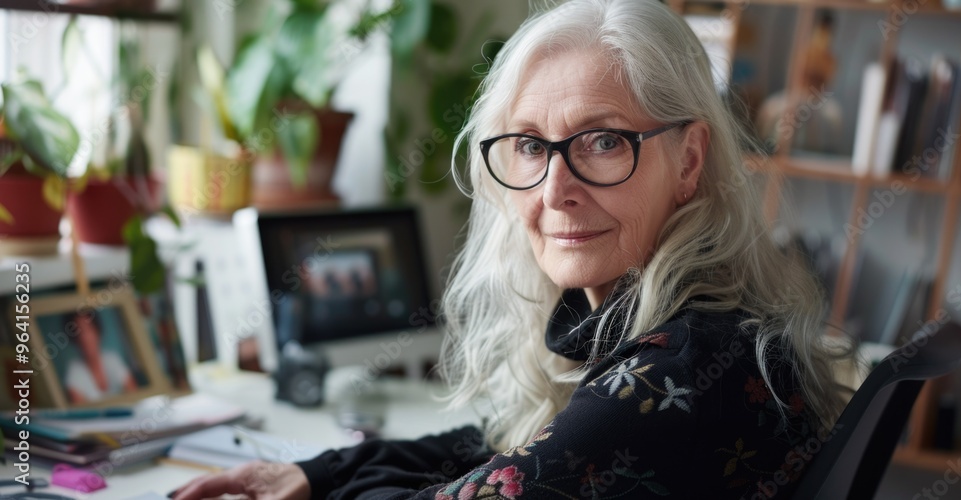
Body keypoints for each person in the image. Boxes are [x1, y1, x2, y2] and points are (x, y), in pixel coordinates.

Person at [172, 0, 853, 498]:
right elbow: (503, 448)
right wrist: (316, 474)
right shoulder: (697, 322)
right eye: (530, 146)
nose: (555, 191)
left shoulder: (678, 372)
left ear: (688, 160)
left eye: (604, 140)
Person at [64, 310, 138, 404]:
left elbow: (134, 394)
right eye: (79, 332)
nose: (84, 338)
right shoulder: (74, 370)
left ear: (97, 331)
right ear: (75, 339)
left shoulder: (112, 359)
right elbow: (81, 411)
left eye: (88, 329)